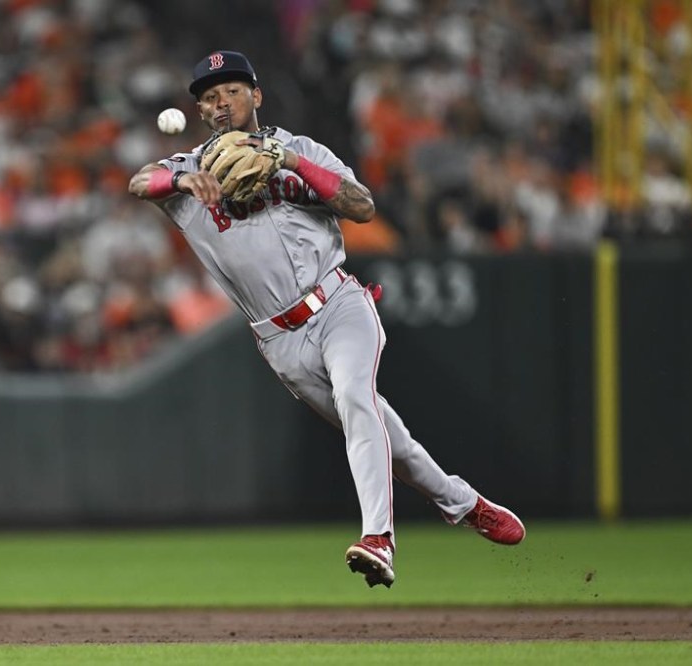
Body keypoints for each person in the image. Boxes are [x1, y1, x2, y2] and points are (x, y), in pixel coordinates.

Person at [129, 50, 524, 589]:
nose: (222, 103)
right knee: (391, 439)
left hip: (338, 304)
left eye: (232, 91)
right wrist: (180, 185)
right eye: (210, 97)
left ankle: (378, 538)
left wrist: (287, 163)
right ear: (200, 112)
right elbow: (139, 182)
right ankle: (463, 502)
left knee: (355, 397)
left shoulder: (302, 149)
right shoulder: (190, 169)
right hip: (278, 341)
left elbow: (361, 207)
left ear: (257, 96)